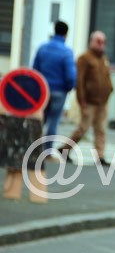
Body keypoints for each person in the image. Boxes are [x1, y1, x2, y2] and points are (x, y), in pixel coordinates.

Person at [59, 31, 113, 166]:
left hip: (102, 101)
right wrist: (81, 99)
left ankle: (100, 156)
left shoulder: (103, 59)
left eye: (103, 42)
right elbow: (80, 80)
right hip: (89, 101)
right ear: (92, 42)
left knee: (100, 129)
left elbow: (107, 77)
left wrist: (110, 89)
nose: (101, 45)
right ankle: (65, 149)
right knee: (83, 128)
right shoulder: (84, 58)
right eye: (98, 41)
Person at [32, 20, 76, 155]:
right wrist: (68, 88)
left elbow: (35, 70)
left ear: (54, 31)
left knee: (40, 119)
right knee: (53, 121)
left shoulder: (42, 48)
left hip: (43, 90)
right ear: (66, 34)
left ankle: (34, 148)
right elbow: (71, 75)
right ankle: (47, 151)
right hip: (59, 91)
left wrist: (36, 87)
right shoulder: (66, 52)